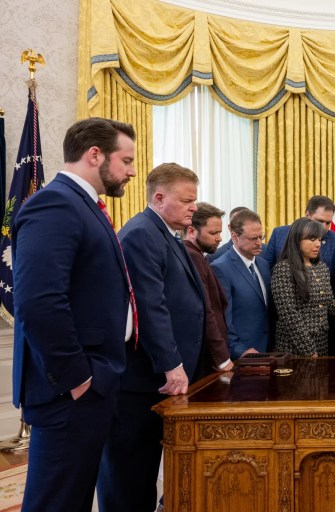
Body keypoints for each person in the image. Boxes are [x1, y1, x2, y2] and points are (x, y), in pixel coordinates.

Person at [11, 118, 136, 512]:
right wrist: (78, 378)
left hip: (89, 388)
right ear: (94, 154)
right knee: (56, 502)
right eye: (126, 159)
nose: (132, 171)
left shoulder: (84, 205)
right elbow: (38, 302)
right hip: (70, 392)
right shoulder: (56, 203)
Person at [98, 162, 205, 512]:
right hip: (141, 379)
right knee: (128, 473)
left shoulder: (163, 233)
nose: (194, 207)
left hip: (154, 379)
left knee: (144, 470)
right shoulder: (142, 232)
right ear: (159, 198)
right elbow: (149, 306)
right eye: (187, 200)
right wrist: (172, 364)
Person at [271, 218, 335, 356]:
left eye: (319, 240)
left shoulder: (321, 267)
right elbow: (289, 315)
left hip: (322, 344)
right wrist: (309, 350)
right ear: (297, 241)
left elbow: (327, 306)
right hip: (294, 348)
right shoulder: (283, 269)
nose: (317, 244)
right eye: (311, 240)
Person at [262, 195, 335, 299]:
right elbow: (267, 271)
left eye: (328, 223)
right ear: (307, 215)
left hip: (323, 308)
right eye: (320, 221)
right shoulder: (279, 234)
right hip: (283, 304)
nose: (323, 227)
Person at [211, 210, 272, 358]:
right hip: (243, 354)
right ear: (235, 237)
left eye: (261, 237)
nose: (259, 243)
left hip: (267, 349)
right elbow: (224, 320)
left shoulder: (263, 265)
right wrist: (239, 350)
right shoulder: (220, 268)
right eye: (253, 238)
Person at [182, 202, 233, 375]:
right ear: (191, 231)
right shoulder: (192, 257)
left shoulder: (198, 256)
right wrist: (222, 357)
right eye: (213, 233)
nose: (219, 238)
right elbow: (206, 311)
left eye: (219, 232)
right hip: (205, 359)